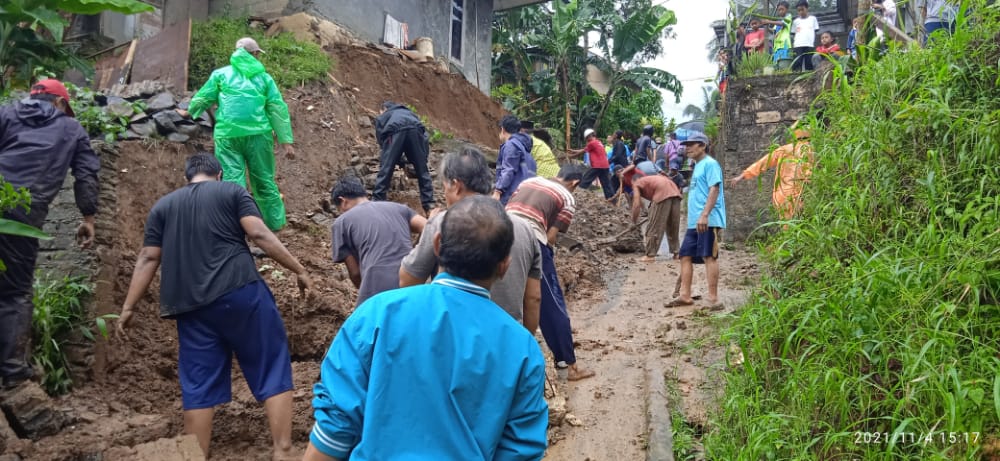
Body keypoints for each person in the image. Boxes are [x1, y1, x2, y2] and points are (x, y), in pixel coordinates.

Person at [304, 195, 548, 461]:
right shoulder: (522, 348)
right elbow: (519, 451)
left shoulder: (376, 314)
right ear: (504, 265)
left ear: (437, 245)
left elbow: (335, 429)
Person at [116, 154, 313, 460]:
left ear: (186, 178)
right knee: (271, 362)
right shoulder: (232, 191)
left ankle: (196, 455)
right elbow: (258, 233)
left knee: (198, 384)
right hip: (240, 292)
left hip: (191, 307)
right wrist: (298, 269)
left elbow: (148, 257)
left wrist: (128, 306)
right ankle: (283, 450)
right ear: (219, 174)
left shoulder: (162, 207)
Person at [0, 79, 99, 389]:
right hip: (22, 213)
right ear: (60, 103)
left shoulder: (6, 113)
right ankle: (14, 371)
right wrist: (88, 218)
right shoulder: (71, 129)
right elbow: (86, 175)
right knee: (15, 291)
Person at [399, 148, 543, 332]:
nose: (445, 194)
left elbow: (407, 281)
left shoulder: (441, 222)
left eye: (444, 187)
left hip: (453, 335)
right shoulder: (525, 228)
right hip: (504, 336)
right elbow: (533, 298)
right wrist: (524, 339)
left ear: (455, 185)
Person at [183, 37, 293, 231]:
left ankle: (235, 227)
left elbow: (204, 97)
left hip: (228, 135)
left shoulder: (221, 74)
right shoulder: (264, 78)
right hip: (259, 135)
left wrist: (188, 112)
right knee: (264, 180)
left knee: (232, 182)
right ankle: (274, 226)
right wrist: (286, 141)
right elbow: (277, 108)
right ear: (255, 54)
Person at [507, 165, 596, 381]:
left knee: (506, 300)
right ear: (575, 183)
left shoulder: (528, 182)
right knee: (551, 302)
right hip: (531, 239)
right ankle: (569, 365)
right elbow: (551, 237)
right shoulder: (567, 197)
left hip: (499, 232)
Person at [329, 175, 426, 306]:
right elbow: (430, 227)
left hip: (376, 286)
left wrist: (366, 293)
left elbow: (355, 273)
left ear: (343, 200)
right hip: (412, 282)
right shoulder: (398, 208)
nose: (341, 213)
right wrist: (415, 252)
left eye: (339, 209)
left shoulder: (341, 222)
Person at [666, 133, 725, 310]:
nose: (688, 148)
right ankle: (685, 295)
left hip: (708, 219)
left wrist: (705, 214)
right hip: (695, 221)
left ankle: (714, 299)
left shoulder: (710, 164)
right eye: (686, 145)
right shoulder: (698, 165)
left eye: (692, 144)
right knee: (685, 255)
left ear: (703, 146)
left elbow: (714, 189)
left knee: (709, 256)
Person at [729, 129, 814, 221]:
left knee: (786, 224)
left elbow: (763, 162)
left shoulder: (784, 149)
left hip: (782, 195)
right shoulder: (810, 150)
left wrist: (742, 175)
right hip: (799, 194)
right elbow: (809, 173)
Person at [372, 102, 436, 214]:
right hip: (415, 129)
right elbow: (424, 137)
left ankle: (378, 201)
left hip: (394, 130)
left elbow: (381, 137)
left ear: (384, 109)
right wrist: (421, 159)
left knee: (386, 169)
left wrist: (390, 158)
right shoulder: (409, 113)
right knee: (423, 171)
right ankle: (429, 205)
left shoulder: (385, 115)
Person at [632, 174, 683, 263]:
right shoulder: (652, 179)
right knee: (673, 226)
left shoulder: (637, 183)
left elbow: (636, 205)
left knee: (654, 227)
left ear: (634, 181)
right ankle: (677, 253)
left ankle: (650, 255)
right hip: (676, 194)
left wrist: (634, 221)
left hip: (662, 193)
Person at [492, 115, 537, 205]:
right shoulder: (525, 149)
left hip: (512, 197)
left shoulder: (511, 145)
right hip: (526, 196)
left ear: (503, 129)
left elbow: (508, 169)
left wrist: (498, 191)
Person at [567, 129, 614, 200]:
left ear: (589, 136)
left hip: (597, 166)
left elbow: (583, 151)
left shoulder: (592, 143)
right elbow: (584, 149)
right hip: (605, 166)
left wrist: (571, 156)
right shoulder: (598, 142)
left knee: (585, 180)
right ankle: (611, 199)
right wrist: (573, 151)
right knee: (606, 184)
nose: (586, 140)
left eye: (586, 138)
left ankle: (578, 196)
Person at [791, 0, 819, 72]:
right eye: (799, 10)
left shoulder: (813, 19)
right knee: (797, 62)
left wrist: (814, 43)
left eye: (802, 9)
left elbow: (816, 31)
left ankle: (808, 76)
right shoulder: (795, 21)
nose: (801, 12)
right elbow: (793, 34)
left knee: (809, 63)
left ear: (807, 8)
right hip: (798, 45)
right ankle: (795, 75)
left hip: (809, 44)